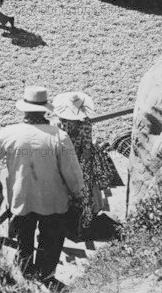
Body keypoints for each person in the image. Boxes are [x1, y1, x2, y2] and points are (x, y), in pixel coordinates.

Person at [0, 85, 84, 283]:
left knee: (24, 240)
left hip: (21, 198)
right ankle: (45, 275)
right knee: (50, 241)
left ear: (24, 109)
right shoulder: (59, 136)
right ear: (45, 110)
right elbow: (72, 173)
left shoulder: (9, 133)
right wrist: (78, 194)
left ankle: (26, 277)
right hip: (53, 200)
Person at [52, 91, 122, 229]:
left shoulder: (57, 125)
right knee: (84, 188)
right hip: (78, 160)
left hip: (61, 160)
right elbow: (87, 149)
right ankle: (84, 218)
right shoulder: (85, 125)